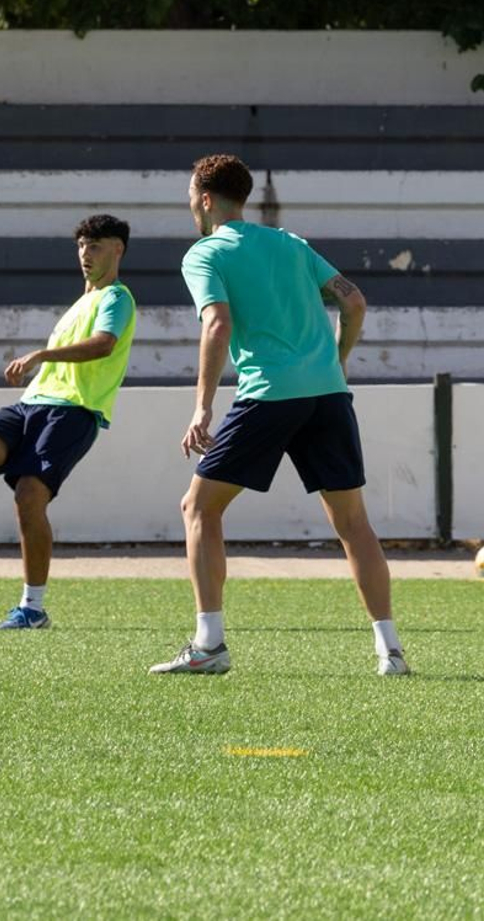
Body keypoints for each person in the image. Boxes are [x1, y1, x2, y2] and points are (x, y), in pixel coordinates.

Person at [150, 154, 408, 676]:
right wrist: (335, 361)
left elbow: (217, 325)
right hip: (328, 395)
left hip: (269, 394)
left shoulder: (205, 253)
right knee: (354, 523)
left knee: (199, 508)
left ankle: (209, 645)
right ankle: (391, 652)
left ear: (203, 198)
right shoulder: (290, 243)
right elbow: (354, 301)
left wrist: (203, 406)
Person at [0, 215, 137, 629]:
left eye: (95, 246)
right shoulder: (80, 303)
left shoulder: (118, 298)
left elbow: (103, 346)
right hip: (31, 404)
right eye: (81, 246)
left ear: (117, 249)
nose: (85, 254)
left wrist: (41, 355)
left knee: (29, 495)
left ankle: (33, 608)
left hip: (74, 410)